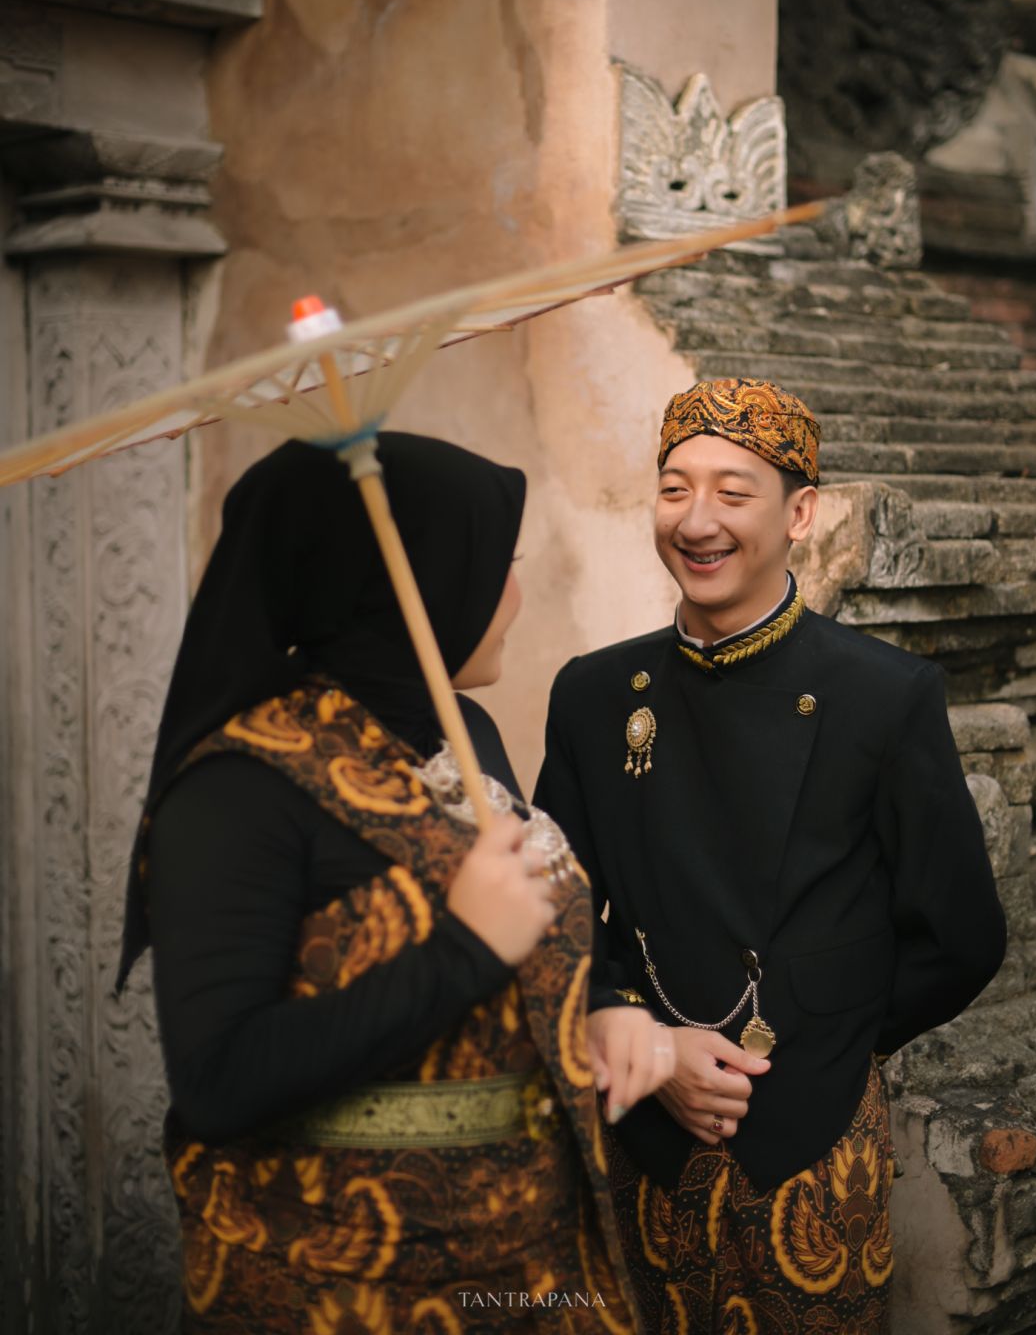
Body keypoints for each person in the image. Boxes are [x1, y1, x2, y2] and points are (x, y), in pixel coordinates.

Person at [118, 432, 675, 1333]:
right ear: (420, 582)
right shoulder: (239, 789)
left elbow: (528, 927)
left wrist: (599, 1011)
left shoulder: (467, 735)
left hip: (526, 1271)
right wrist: (463, 949)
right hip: (333, 1289)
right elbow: (218, 1081)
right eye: (502, 566)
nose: (518, 596)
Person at [533, 377, 1007, 1333]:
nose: (696, 520)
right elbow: (557, 912)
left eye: (731, 492)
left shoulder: (884, 695)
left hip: (814, 1144)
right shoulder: (594, 694)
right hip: (640, 1128)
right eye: (674, 489)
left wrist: (822, 1036)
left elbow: (961, 936)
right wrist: (642, 1037)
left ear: (799, 514)